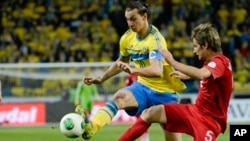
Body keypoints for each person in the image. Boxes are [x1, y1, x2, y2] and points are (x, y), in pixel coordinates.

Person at [76, 0, 186, 140]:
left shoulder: (155, 39)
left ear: (144, 17)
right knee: (120, 97)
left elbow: (156, 70)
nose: (130, 23)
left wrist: (133, 70)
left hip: (165, 94)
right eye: (128, 19)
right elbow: (121, 62)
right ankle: (91, 127)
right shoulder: (127, 38)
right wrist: (101, 78)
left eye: (133, 19)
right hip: (143, 88)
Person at [118, 23, 233, 141]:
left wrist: (173, 62)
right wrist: (188, 75)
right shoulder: (212, 64)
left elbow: (201, 74)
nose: (194, 51)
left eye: (195, 46)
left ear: (205, 45)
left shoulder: (220, 61)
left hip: (210, 122)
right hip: (195, 111)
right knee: (150, 113)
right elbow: (206, 75)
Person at [125, 74, 150, 141]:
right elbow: (127, 87)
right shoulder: (131, 76)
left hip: (145, 100)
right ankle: (145, 139)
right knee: (141, 121)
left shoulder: (146, 74)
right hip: (136, 102)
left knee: (143, 121)